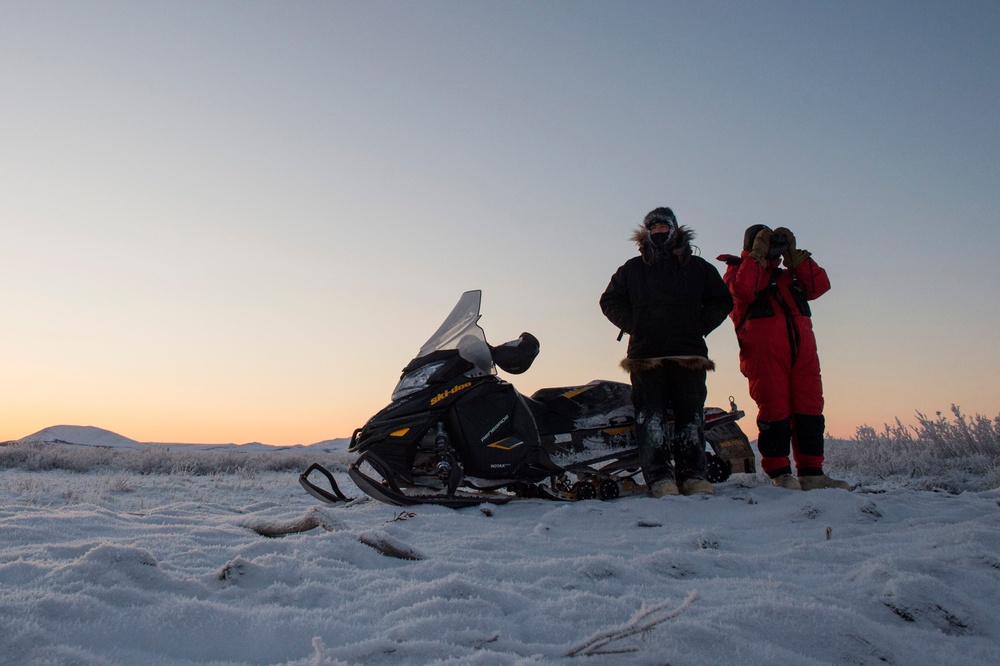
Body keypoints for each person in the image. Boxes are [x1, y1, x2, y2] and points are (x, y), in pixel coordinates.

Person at [600, 207, 733, 497]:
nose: (659, 231)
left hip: (688, 355)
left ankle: (694, 476)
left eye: (664, 227)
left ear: (675, 229)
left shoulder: (698, 268)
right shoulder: (632, 269)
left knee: (691, 418)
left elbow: (722, 300)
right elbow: (609, 300)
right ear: (647, 233)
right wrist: (633, 324)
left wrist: (699, 325)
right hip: (646, 357)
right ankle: (660, 479)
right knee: (651, 419)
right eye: (654, 228)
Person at [717, 225, 850, 491]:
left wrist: (795, 257)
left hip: (803, 355)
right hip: (764, 355)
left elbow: (819, 286)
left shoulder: (788, 277)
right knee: (774, 410)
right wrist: (755, 257)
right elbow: (744, 290)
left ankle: (812, 473)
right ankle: (780, 474)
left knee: (810, 409)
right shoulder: (735, 273)